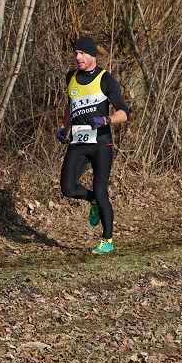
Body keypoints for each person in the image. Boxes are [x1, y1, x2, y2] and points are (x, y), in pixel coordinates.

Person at [57, 36, 129, 254]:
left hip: (101, 144)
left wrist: (106, 120)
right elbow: (71, 105)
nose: (77, 57)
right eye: (75, 53)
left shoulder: (106, 79)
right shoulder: (70, 77)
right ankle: (92, 201)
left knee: (100, 190)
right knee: (68, 188)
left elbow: (124, 113)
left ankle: (107, 240)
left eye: (82, 53)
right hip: (78, 142)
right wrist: (63, 127)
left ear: (92, 55)